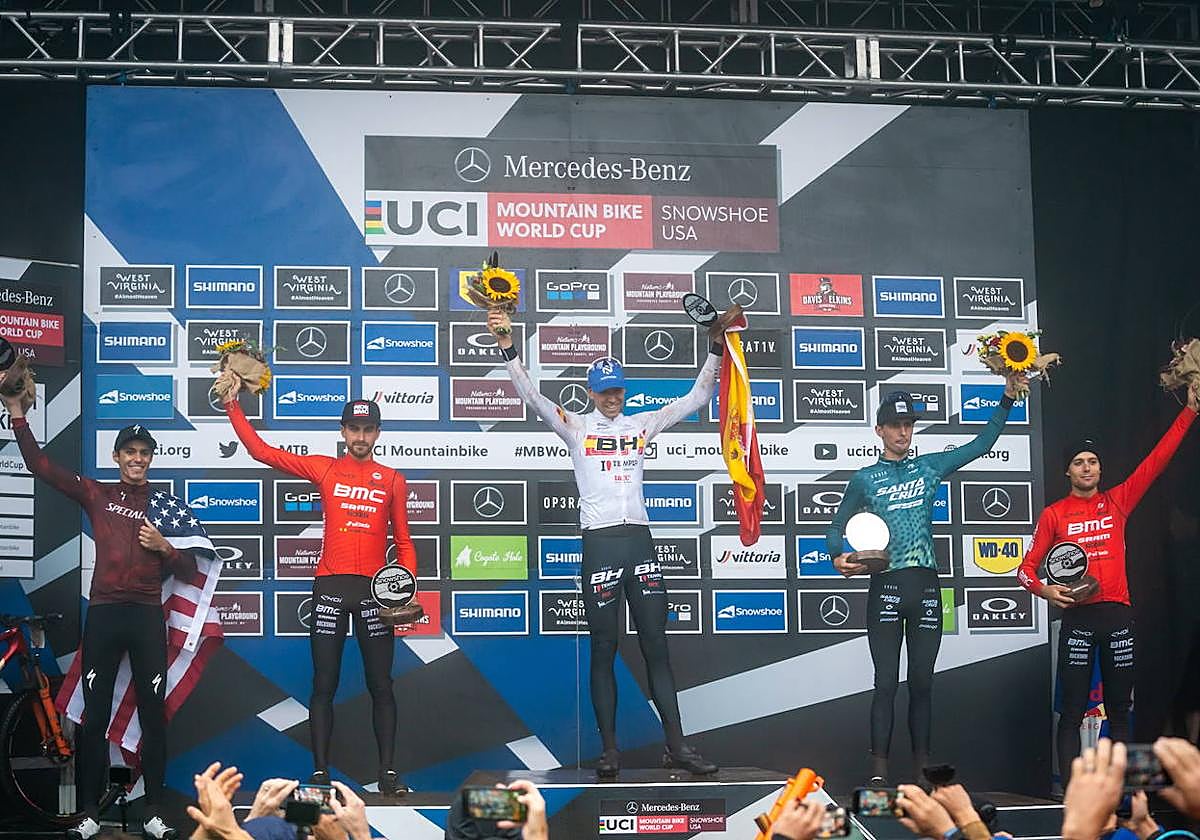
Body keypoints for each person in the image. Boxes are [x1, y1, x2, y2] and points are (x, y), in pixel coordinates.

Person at [488, 309, 720, 778]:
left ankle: (677, 746)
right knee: (603, 647)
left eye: (618, 389)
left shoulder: (641, 426)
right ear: (591, 393)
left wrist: (716, 346)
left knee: (657, 644)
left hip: (640, 542)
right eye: (605, 390)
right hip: (600, 544)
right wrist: (508, 346)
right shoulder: (575, 425)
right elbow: (532, 397)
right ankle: (609, 751)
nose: (613, 397)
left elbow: (699, 395)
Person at [4, 391, 209, 840]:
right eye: (130, 452)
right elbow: (42, 467)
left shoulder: (165, 506)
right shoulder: (97, 492)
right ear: (117, 456)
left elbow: (190, 570)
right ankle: (88, 813)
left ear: (151, 459)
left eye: (144, 453)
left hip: (146, 619)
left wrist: (166, 547)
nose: (137, 459)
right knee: (93, 719)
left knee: (153, 718)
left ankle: (153, 812)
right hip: (104, 616)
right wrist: (18, 414)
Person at [217, 371, 417, 795]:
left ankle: (388, 774)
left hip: (373, 595)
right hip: (329, 588)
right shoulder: (326, 469)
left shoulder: (393, 479)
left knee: (381, 684)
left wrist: (405, 588)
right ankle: (321, 772)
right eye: (354, 428)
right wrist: (233, 405)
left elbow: (403, 543)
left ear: (378, 433)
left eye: (368, 429)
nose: (360, 436)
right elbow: (261, 451)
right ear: (343, 431)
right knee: (323, 684)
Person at [826, 373, 1027, 784]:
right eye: (895, 425)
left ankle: (921, 774)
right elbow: (835, 526)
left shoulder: (929, 466)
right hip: (886, 586)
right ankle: (879, 774)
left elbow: (981, 445)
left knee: (922, 683)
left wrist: (1007, 397)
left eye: (909, 424)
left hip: (928, 588)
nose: (903, 431)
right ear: (879, 430)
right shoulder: (864, 478)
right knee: (885, 683)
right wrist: (837, 555)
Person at [1017, 385, 1198, 786]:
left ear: (1100, 469)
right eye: (1079, 462)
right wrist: (1045, 590)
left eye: (1093, 462)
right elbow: (1024, 569)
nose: (1086, 468)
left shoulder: (1117, 502)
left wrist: (1189, 412)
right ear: (1067, 470)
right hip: (1079, 620)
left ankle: (1123, 795)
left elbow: (1156, 462)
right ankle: (1067, 796)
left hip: (1117, 615)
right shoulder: (1054, 515)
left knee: (1119, 710)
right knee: (1072, 710)